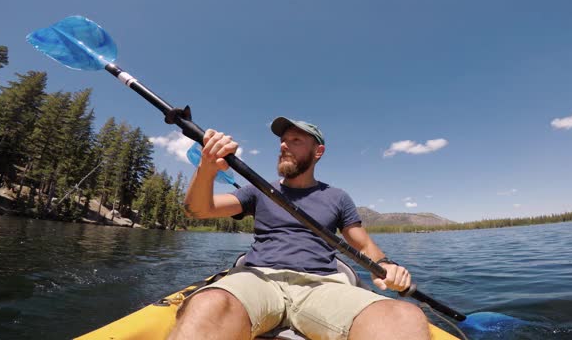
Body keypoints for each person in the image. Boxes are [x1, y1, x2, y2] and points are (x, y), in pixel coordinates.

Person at [168, 117, 430, 340]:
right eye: (283, 141)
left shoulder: (337, 197)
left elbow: (362, 245)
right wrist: (207, 168)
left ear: (318, 152)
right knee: (207, 305)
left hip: (322, 285)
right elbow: (198, 210)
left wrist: (384, 265)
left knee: (404, 316)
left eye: (295, 140)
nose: (284, 145)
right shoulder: (258, 190)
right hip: (258, 279)